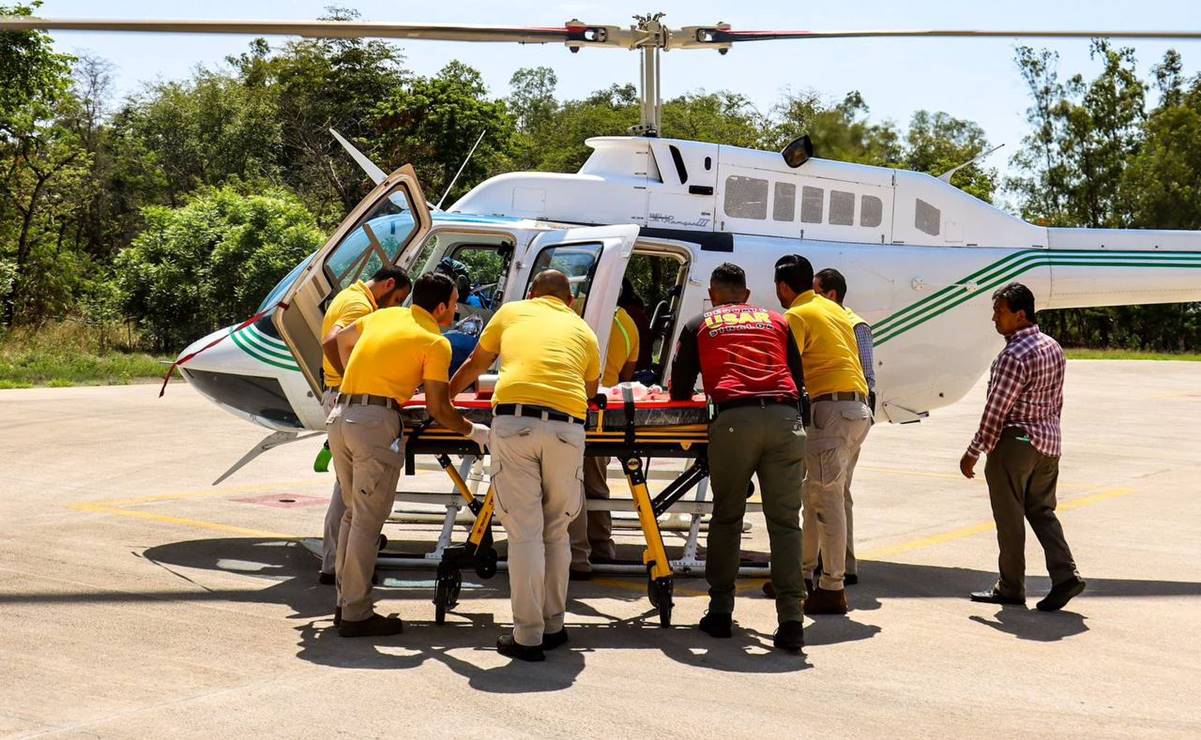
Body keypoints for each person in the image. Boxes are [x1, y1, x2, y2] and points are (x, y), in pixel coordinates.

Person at [322, 272, 489, 637]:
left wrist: (351, 374)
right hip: (374, 424)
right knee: (367, 521)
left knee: (353, 515)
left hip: (341, 415)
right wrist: (473, 431)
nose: (457, 310)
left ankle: (345, 604)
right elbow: (438, 406)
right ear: (442, 306)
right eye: (456, 301)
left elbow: (333, 341)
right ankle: (355, 614)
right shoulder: (435, 341)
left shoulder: (382, 315)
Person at [451, 269, 601, 662]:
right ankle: (553, 624)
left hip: (516, 423)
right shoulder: (584, 330)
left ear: (533, 293)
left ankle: (528, 635)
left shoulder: (512, 312)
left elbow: (474, 362)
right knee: (556, 530)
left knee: (524, 532)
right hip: (569, 429)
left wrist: (441, 396)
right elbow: (590, 390)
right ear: (569, 301)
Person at [669, 263, 807, 652]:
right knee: (785, 524)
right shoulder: (777, 321)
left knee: (728, 516)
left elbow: (680, 385)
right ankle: (792, 619)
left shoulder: (701, 323)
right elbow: (798, 380)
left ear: (712, 294)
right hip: (785, 420)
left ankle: (720, 612)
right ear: (746, 295)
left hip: (733, 421)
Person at [959, 282, 1086, 612]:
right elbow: (1056, 401)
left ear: (1020, 315)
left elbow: (996, 410)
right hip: (1048, 444)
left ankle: (1011, 586)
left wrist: (974, 450)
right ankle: (1065, 575)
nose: (994, 319)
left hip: (1014, 446)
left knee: (1009, 518)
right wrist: (1050, 437)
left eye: (999, 312)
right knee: (1042, 512)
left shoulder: (1014, 355)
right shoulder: (1053, 347)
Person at [776, 255, 870, 615]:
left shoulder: (795, 316)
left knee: (827, 501)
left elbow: (788, 367)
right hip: (854, 409)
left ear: (784, 287)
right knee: (816, 493)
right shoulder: (833, 309)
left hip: (829, 411)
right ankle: (800, 576)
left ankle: (832, 587)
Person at [316, 266, 411, 586]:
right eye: (396, 298)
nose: (394, 306)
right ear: (387, 285)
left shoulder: (350, 295)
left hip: (338, 396)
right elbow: (332, 341)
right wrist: (351, 378)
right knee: (350, 491)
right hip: (346, 395)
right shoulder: (360, 306)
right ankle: (336, 563)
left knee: (347, 488)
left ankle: (339, 559)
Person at [568, 303, 639, 580]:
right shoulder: (627, 323)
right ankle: (600, 543)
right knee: (595, 481)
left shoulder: (574, 318)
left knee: (566, 483)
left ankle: (574, 551)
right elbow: (627, 375)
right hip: (605, 414)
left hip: (572, 406)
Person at [813, 267, 874, 586]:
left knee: (829, 490)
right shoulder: (841, 321)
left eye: (817, 291)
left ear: (831, 294)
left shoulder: (852, 324)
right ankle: (839, 562)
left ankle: (834, 567)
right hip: (851, 414)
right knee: (836, 490)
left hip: (845, 414)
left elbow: (867, 375)